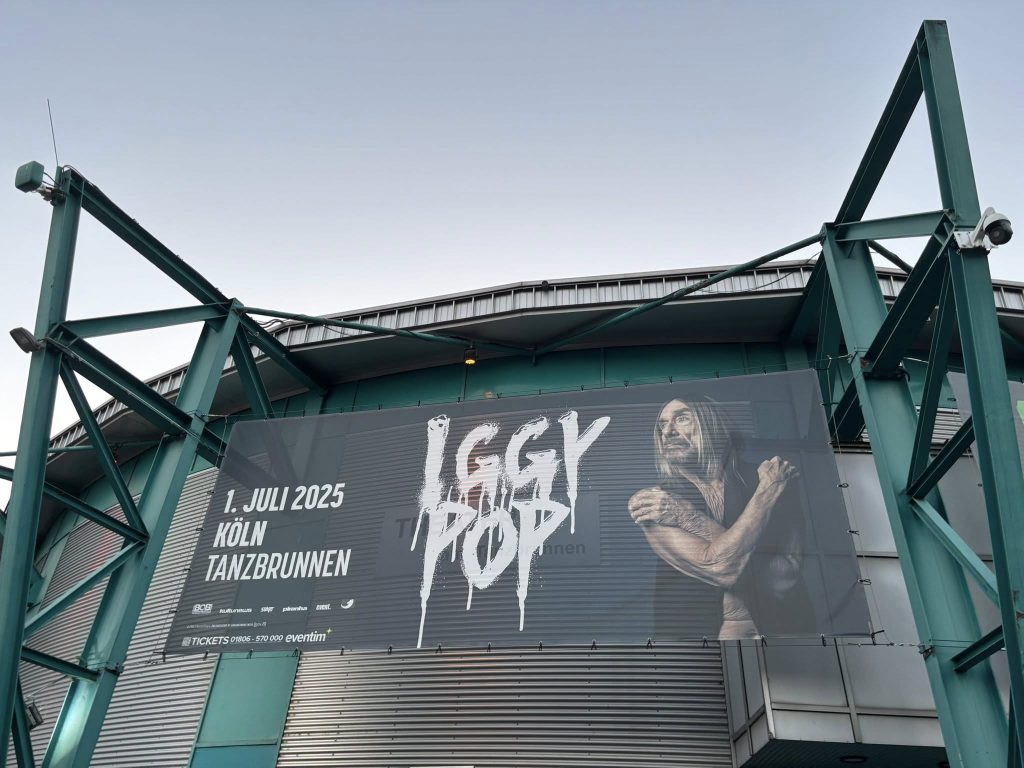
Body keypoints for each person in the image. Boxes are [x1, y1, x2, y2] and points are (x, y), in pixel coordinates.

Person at [628, 397, 814, 639]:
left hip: (784, 635)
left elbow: (784, 578)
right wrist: (766, 496)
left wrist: (689, 518)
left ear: (712, 424)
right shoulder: (657, 502)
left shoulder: (770, 479)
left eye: (682, 418)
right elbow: (722, 568)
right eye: (662, 425)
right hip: (695, 645)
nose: (668, 432)